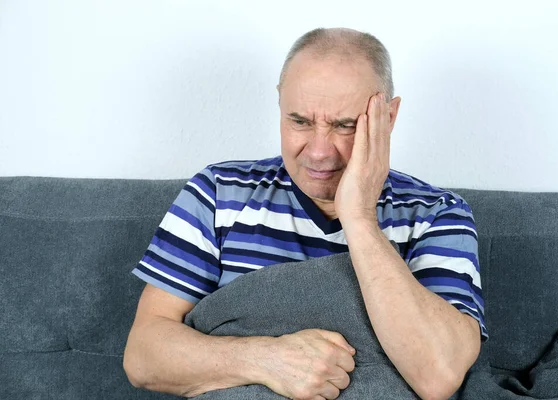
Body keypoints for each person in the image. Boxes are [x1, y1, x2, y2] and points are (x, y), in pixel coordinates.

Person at [123, 27, 487, 400]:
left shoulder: (439, 214)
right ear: (280, 104)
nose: (318, 152)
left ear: (388, 117)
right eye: (300, 121)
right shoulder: (218, 192)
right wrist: (270, 359)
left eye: (344, 125)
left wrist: (358, 216)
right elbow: (144, 357)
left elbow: (439, 376)